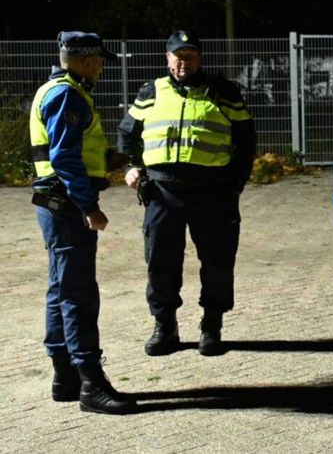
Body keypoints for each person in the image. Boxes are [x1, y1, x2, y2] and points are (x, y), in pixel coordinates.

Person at [117, 31, 257, 357]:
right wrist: (132, 167)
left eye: (190, 55)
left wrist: (236, 182)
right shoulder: (151, 91)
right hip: (161, 192)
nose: (184, 61)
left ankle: (212, 325)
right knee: (161, 262)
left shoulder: (223, 91)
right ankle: (165, 326)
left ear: (200, 58)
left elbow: (246, 139)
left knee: (217, 262)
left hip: (213, 193)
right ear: (168, 59)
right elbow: (128, 134)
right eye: (178, 56)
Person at [29, 31, 136, 414]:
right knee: (78, 294)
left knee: (61, 289)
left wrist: (113, 159)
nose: (103, 67)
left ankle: (65, 377)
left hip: (55, 203)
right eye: (101, 60)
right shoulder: (68, 95)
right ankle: (91, 383)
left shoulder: (53, 89)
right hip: (68, 205)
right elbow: (65, 158)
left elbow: (75, 151)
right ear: (87, 61)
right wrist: (90, 206)